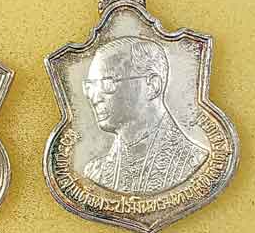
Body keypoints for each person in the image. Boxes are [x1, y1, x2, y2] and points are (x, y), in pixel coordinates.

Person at [82, 37, 208, 194]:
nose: (94, 98)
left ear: (152, 86)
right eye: (90, 87)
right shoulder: (95, 172)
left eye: (107, 83)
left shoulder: (194, 162)